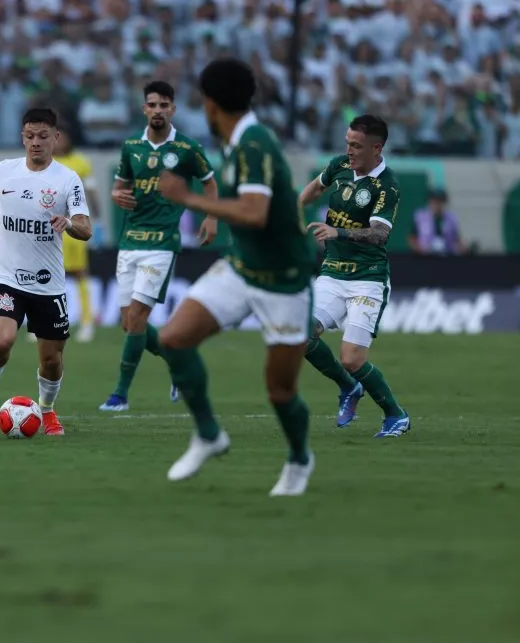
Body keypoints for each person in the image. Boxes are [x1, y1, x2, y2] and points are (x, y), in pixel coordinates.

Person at [155, 57, 318, 496]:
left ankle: (300, 459)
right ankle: (209, 434)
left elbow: (254, 212)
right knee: (172, 338)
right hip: (241, 268)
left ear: (210, 104)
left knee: (280, 391)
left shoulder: (253, 143)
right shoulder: (233, 141)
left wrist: (188, 199)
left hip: (284, 280)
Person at [0, 108, 93, 436]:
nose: (35, 143)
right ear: (22, 137)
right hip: (6, 275)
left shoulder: (67, 180)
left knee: (51, 361)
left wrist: (68, 223)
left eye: (42, 136)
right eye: (29, 136)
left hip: (48, 283)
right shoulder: (3, 170)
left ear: (56, 138)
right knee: (2, 341)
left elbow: (86, 227)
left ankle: (48, 410)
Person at [99, 80, 218, 412]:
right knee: (129, 322)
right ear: (144, 109)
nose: (158, 110)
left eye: (164, 105)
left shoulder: (187, 148)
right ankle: (178, 359)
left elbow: (210, 184)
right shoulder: (131, 147)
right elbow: (120, 185)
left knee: (137, 317)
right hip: (130, 240)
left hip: (162, 243)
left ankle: (120, 394)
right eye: (152, 105)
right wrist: (115, 194)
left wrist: (211, 218)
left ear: (173, 109)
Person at [298, 115, 411, 437]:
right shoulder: (339, 166)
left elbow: (378, 235)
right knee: (300, 336)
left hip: (368, 278)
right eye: (347, 142)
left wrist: (338, 232)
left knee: (351, 358)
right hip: (332, 273)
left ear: (377, 148)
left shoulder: (386, 186)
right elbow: (313, 191)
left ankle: (396, 414)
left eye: (356, 146)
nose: (349, 150)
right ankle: (348, 387)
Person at [44, 127, 100, 343]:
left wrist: (99, 220)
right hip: (47, 226)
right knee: (45, 274)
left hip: (73, 226)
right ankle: (44, 321)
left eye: (63, 136)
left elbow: (92, 191)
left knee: (78, 273)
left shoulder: (81, 162)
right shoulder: (46, 163)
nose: (59, 141)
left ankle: (87, 322)